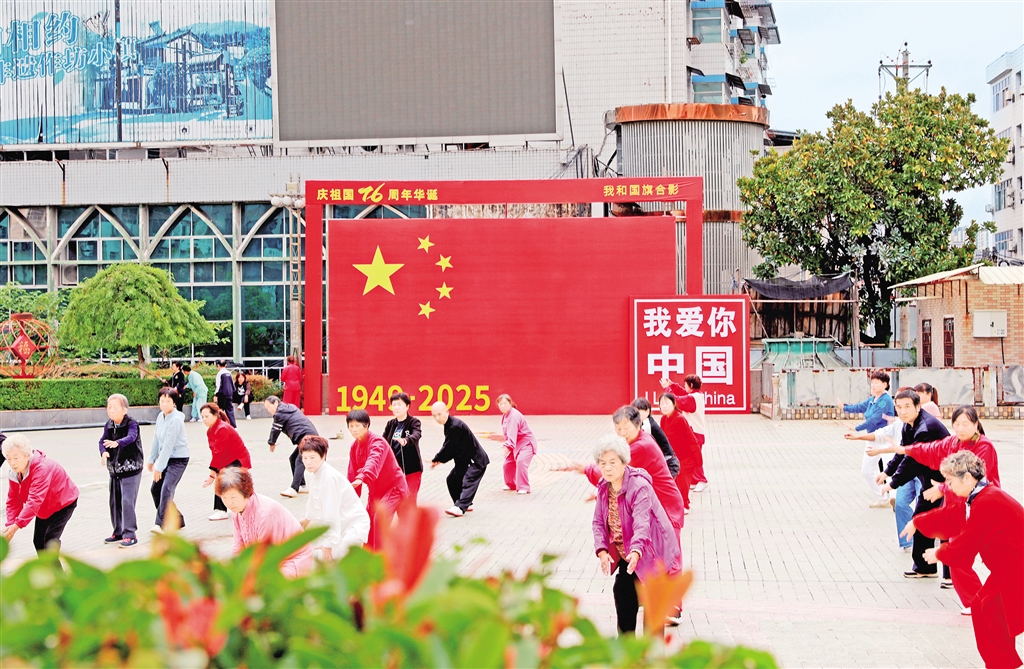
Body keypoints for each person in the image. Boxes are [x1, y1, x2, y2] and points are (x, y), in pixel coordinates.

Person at [872, 405, 1001, 613]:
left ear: (976, 424)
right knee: (957, 558)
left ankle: (996, 599)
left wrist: (941, 489)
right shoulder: (952, 442)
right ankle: (977, 602)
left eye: (966, 424)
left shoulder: (984, 447)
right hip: (960, 510)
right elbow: (930, 449)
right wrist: (904, 450)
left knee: (997, 559)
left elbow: (972, 479)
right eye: (956, 424)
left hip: (983, 510)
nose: (960, 428)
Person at [922, 451, 1023, 669]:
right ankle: (1002, 663)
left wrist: (939, 554)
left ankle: (1002, 663)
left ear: (967, 478)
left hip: (1016, 567)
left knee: (988, 608)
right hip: (1010, 567)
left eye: (951, 482)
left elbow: (968, 542)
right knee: (985, 608)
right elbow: (957, 520)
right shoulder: (982, 496)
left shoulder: (987, 500)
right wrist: (920, 524)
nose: (949, 487)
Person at [591, 434, 681, 636]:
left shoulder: (639, 486)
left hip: (654, 553)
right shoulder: (604, 487)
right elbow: (597, 522)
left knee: (653, 618)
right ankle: (627, 650)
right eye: (603, 463)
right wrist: (602, 551)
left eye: (612, 462)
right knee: (623, 594)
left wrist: (636, 550)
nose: (607, 468)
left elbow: (642, 523)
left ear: (624, 462)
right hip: (628, 555)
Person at [563, 406, 686, 540]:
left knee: (666, 550)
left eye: (626, 428)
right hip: (655, 505)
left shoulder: (641, 446)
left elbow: (613, 471)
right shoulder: (640, 438)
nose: (622, 433)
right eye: (618, 429)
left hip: (665, 506)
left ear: (638, 424)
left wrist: (585, 469)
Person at [876, 388, 949, 578]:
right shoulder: (909, 425)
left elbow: (913, 460)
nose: (902, 411)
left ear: (918, 406)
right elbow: (903, 451)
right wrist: (887, 472)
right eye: (899, 407)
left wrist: (893, 483)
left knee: (945, 525)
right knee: (922, 520)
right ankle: (925, 568)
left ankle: (950, 575)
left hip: (947, 483)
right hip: (931, 482)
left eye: (907, 406)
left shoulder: (925, 428)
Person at [217, 467, 314, 578]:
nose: (229, 503)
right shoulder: (237, 511)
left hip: (293, 560)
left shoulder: (265, 513)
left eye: (233, 497)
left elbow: (268, 553)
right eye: (224, 498)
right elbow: (238, 545)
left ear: (246, 492)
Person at [3, 434, 79, 555]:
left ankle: (55, 568)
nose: (12, 463)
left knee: (49, 542)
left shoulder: (42, 468)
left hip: (63, 502)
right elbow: (13, 500)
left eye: (16, 458)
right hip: (44, 505)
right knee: (38, 541)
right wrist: (10, 524)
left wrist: (17, 525)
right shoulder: (14, 473)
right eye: (8, 458)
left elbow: (35, 500)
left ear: (27, 455)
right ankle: (47, 566)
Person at [299, 435, 371, 561]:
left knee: (341, 560)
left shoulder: (329, 477)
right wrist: (307, 519)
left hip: (353, 525)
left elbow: (330, 512)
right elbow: (313, 500)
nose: (308, 462)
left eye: (312, 457)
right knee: (321, 557)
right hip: (341, 524)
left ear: (323, 455)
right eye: (305, 458)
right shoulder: (316, 474)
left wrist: (328, 543)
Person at [346, 409, 409, 550]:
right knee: (367, 520)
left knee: (380, 519)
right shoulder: (354, 447)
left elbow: (373, 460)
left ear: (367, 425)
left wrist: (362, 476)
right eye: (351, 426)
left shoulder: (378, 442)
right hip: (376, 491)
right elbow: (351, 473)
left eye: (357, 425)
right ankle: (369, 557)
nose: (354, 429)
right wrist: (348, 497)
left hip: (394, 488)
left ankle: (382, 557)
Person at [98, 394, 144, 548]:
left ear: (125, 409)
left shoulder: (132, 423)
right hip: (115, 470)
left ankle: (130, 534)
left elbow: (131, 437)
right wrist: (103, 452)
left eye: (115, 407)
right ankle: (118, 532)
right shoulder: (109, 424)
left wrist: (117, 443)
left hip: (131, 469)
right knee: (115, 502)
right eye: (109, 407)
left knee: (127, 502)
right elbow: (102, 441)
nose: (111, 410)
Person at [430, 402, 490, 518]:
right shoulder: (449, 425)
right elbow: (453, 449)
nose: (437, 418)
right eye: (434, 416)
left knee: (468, 480)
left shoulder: (455, 426)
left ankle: (460, 507)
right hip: (464, 460)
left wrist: (437, 458)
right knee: (452, 479)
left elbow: (448, 447)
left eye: (439, 414)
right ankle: (465, 503)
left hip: (476, 461)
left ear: (447, 412)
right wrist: (439, 460)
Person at [147, 387, 191, 535]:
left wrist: (158, 467)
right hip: (165, 458)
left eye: (168, 401)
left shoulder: (176, 420)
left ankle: (160, 524)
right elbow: (156, 439)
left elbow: (168, 445)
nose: (164, 404)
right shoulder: (161, 416)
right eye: (162, 401)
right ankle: (177, 519)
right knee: (155, 490)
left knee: (166, 488)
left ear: (174, 403)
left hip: (178, 459)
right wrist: (151, 459)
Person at [200, 403, 252, 521]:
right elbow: (215, 452)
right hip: (226, 460)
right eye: (202, 417)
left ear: (215, 415)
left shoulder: (222, 428)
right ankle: (223, 509)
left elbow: (218, 452)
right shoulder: (211, 430)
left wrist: (212, 474)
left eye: (207, 416)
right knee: (225, 481)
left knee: (231, 483)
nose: (204, 419)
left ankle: (224, 510)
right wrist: (215, 470)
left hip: (237, 459)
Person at [660, 375, 709, 492]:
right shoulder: (696, 395)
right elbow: (682, 394)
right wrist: (672, 385)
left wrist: (667, 388)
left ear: (691, 385)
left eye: (685, 385)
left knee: (693, 457)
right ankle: (695, 481)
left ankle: (702, 480)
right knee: (690, 457)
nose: (684, 387)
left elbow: (678, 401)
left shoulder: (693, 398)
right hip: (695, 432)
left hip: (695, 432)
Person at [265, 395, 319, 498]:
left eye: (269, 407)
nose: (268, 410)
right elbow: (295, 422)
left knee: (300, 460)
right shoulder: (290, 408)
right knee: (293, 458)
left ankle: (294, 489)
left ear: (276, 403)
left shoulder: (280, 413)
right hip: (308, 436)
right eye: (266, 408)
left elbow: (275, 429)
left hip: (307, 438)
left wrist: (271, 442)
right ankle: (302, 485)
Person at [657, 393, 702, 513]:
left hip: (687, 456)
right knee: (676, 481)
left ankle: (684, 505)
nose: (664, 406)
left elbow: (671, 441)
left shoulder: (679, 419)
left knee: (682, 482)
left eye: (667, 403)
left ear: (674, 404)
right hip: (676, 457)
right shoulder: (664, 419)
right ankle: (679, 504)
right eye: (662, 403)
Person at [382, 392, 424, 503]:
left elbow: (417, 434)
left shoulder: (413, 422)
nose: (396, 407)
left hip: (412, 469)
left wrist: (406, 440)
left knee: (410, 500)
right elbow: (383, 442)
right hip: (395, 471)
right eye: (394, 405)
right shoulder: (391, 424)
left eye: (399, 404)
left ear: (407, 406)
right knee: (398, 500)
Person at [498, 394, 538, 495]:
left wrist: (508, 446)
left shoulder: (514, 416)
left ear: (510, 403)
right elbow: (507, 433)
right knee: (507, 464)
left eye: (505, 403)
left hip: (526, 444)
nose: (503, 406)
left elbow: (512, 432)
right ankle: (511, 484)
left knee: (521, 462)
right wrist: (508, 446)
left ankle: (524, 487)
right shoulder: (505, 416)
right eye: (500, 404)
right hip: (515, 444)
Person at [631, 398, 680, 479]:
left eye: (639, 412)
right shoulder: (646, 422)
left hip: (668, 463)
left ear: (647, 411)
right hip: (666, 462)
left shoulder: (647, 425)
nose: (636, 415)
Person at [840, 370, 895, 434]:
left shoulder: (885, 400)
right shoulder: (872, 399)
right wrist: (844, 408)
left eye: (876, 383)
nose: (873, 385)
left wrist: (856, 428)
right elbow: (859, 407)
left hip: (883, 436)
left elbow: (875, 419)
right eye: (872, 382)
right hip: (873, 435)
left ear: (885, 385)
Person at [214, 359, 238, 428]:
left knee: (220, 410)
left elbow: (218, 385)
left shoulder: (220, 374)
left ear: (218, 365)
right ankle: (234, 426)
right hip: (229, 394)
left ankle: (219, 425)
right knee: (230, 410)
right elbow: (233, 385)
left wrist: (216, 395)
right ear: (225, 365)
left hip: (222, 394)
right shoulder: (229, 373)